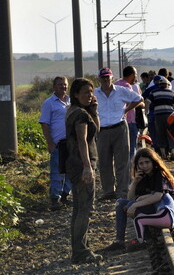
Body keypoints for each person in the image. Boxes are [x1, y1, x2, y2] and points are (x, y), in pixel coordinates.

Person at [103, 148, 174, 253]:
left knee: (133, 205)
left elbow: (157, 196)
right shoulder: (143, 176)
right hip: (154, 207)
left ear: (153, 161)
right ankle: (119, 241)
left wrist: (135, 205)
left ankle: (146, 238)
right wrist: (134, 182)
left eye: (147, 162)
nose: (144, 166)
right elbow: (130, 198)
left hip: (165, 210)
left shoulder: (159, 174)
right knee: (121, 203)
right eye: (141, 163)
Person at [65, 78, 102, 264]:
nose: (90, 96)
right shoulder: (80, 115)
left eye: (91, 92)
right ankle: (80, 251)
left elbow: (98, 129)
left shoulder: (75, 111)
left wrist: (94, 112)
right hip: (81, 166)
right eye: (85, 92)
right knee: (85, 208)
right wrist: (87, 167)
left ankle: (81, 248)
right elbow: (82, 141)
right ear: (75, 95)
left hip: (74, 165)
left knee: (79, 207)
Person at [95, 68, 143, 200]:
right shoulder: (95, 93)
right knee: (104, 162)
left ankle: (123, 191)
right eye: (103, 77)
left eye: (108, 77)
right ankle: (108, 191)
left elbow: (138, 98)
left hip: (120, 128)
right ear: (99, 79)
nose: (105, 79)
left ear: (112, 77)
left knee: (122, 161)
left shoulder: (121, 91)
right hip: (102, 130)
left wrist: (127, 109)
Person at [39, 76, 72, 210]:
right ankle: (55, 199)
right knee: (57, 173)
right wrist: (50, 143)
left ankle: (65, 195)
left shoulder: (71, 101)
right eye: (59, 85)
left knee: (70, 171)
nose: (62, 87)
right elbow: (44, 124)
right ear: (54, 87)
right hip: (58, 144)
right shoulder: (49, 103)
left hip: (71, 143)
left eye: (64, 84)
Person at [145, 76, 174, 160]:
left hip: (158, 115)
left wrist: (146, 112)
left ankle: (163, 154)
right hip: (170, 115)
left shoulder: (154, 92)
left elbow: (148, 101)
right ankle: (173, 151)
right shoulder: (172, 92)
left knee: (160, 133)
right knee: (170, 133)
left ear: (159, 85)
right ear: (167, 85)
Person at [115, 66, 143, 159]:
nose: (136, 77)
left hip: (117, 121)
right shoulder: (127, 86)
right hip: (129, 120)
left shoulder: (116, 84)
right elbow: (137, 100)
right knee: (131, 148)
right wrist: (126, 110)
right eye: (135, 75)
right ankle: (131, 169)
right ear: (131, 75)